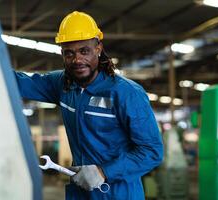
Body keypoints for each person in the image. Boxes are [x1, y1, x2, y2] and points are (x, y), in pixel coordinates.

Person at [14, 11, 163, 200]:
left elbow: (152, 152)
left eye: (84, 51)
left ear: (98, 48)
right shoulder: (62, 85)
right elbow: (16, 82)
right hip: (81, 192)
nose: (77, 60)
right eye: (69, 53)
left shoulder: (127, 94)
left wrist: (103, 172)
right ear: (62, 53)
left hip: (119, 194)